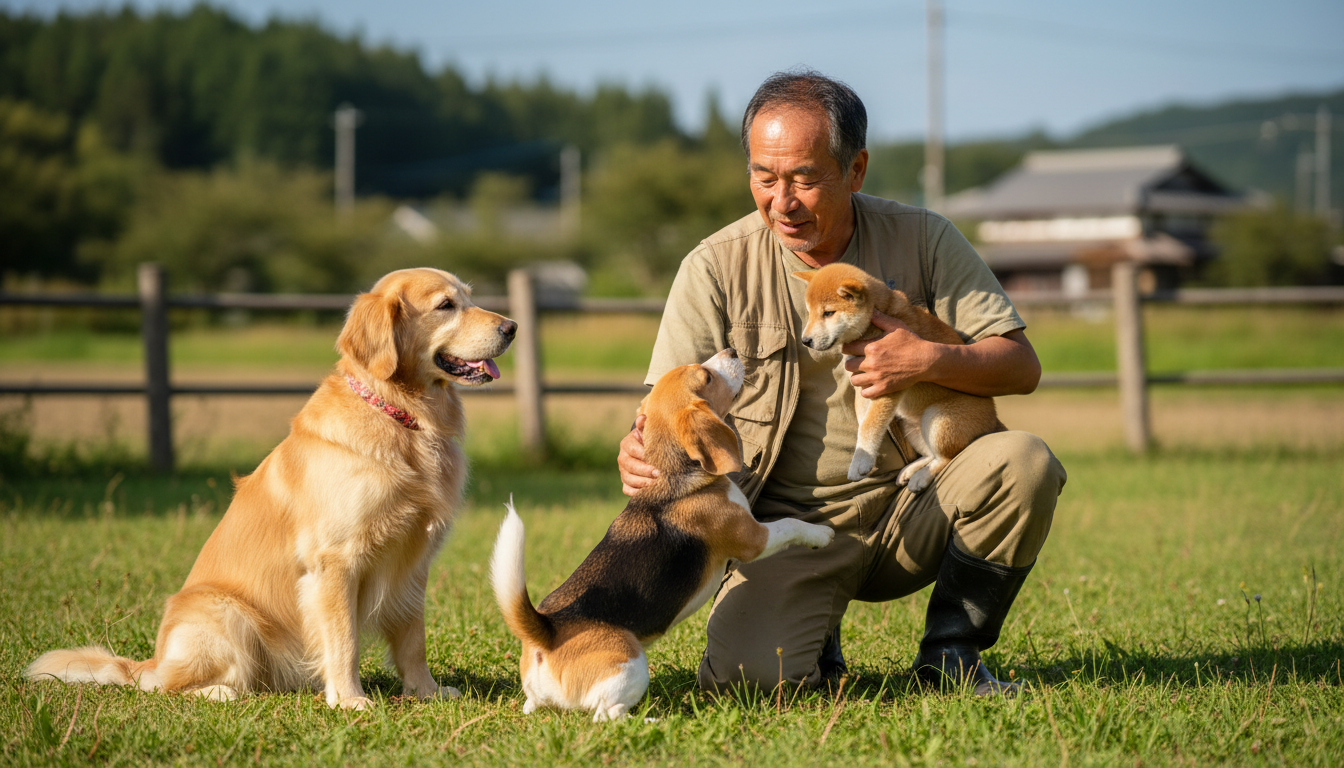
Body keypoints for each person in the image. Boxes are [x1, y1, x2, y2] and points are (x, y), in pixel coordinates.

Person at [617, 69, 1066, 695]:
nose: (782, 201)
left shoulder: (925, 238)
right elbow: (666, 407)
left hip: (916, 506)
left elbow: (1021, 366)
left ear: (855, 170)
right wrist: (636, 449)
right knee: (750, 680)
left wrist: (928, 360)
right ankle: (813, 633)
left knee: (1024, 461)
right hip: (785, 531)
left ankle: (952, 654)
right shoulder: (714, 266)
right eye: (764, 177)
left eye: (804, 179)